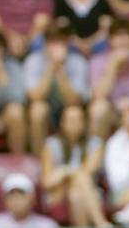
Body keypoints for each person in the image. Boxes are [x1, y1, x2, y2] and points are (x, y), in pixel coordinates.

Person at [40, 104, 110, 228]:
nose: (75, 124)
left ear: (85, 122)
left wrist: (64, 172)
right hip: (59, 193)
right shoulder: (51, 144)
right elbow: (47, 182)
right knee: (79, 180)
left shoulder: (96, 144)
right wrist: (69, 172)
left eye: (79, 119)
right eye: (71, 120)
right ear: (62, 123)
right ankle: (101, 224)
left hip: (86, 192)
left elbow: (87, 173)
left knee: (76, 194)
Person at [24, 24, 90, 154]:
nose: (56, 46)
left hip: (68, 108)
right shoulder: (33, 60)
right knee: (38, 109)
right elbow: (35, 96)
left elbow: (74, 100)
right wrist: (51, 68)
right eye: (52, 41)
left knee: (73, 112)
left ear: (67, 43)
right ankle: (39, 160)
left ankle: (74, 159)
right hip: (47, 111)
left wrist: (60, 70)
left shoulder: (78, 62)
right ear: (45, 43)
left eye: (60, 41)